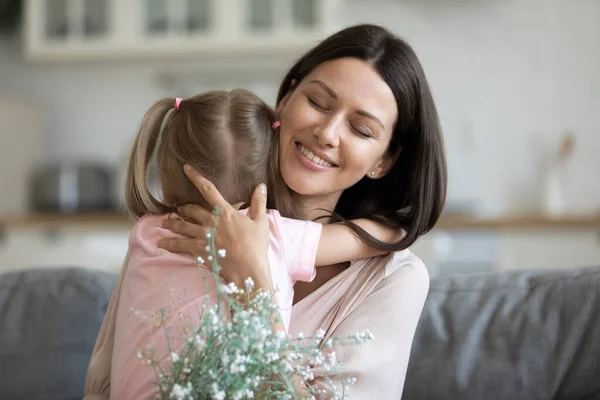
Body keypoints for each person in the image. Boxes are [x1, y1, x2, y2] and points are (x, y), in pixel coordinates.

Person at [157, 24, 447, 398]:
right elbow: (104, 385)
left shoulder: (394, 280)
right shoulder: (198, 220)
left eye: (360, 129)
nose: (327, 132)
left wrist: (254, 288)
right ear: (287, 98)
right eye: (318, 103)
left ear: (385, 161)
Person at [85, 89, 402, 399]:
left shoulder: (147, 234)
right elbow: (379, 238)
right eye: (318, 102)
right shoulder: (274, 235)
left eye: (360, 129)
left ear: (167, 187)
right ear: (269, 179)